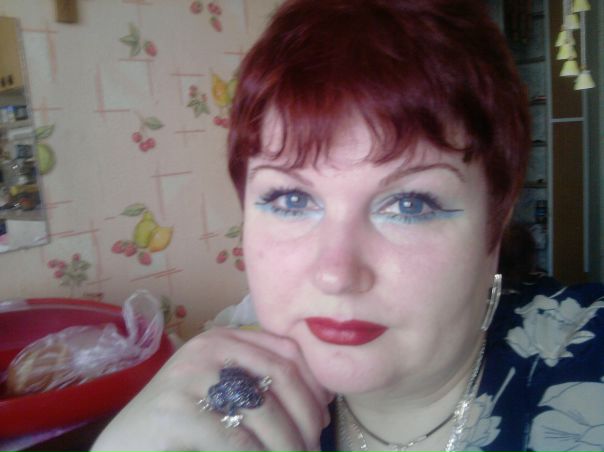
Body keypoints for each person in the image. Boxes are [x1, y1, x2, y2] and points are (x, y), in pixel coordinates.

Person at [92, 1, 604, 451]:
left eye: (410, 205)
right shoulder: (228, 408)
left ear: (497, 217)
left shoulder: (586, 366)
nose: (336, 274)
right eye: (292, 199)